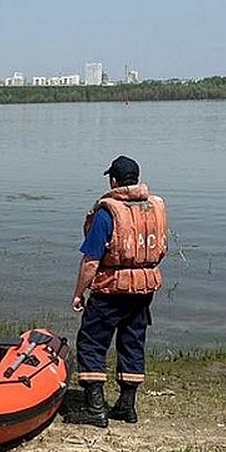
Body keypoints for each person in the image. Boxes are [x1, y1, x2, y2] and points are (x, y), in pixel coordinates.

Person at [64, 155, 168, 427]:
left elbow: (91, 260)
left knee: (91, 342)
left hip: (111, 290)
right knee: (132, 341)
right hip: (144, 289)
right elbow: (161, 249)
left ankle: (96, 409)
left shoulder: (107, 212)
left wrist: (78, 293)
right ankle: (127, 406)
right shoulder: (155, 208)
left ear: (114, 180)